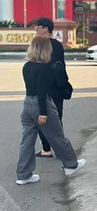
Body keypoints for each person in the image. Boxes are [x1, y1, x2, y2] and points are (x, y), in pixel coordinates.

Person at [16, 36, 86, 185]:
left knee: (26, 141)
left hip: (27, 104)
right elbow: (41, 91)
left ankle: (23, 174)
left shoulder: (26, 66)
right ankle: (71, 165)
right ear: (46, 49)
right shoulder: (45, 67)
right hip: (41, 104)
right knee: (57, 136)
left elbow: (32, 89)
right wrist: (43, 112)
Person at [34, 17, 66, 158]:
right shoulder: (58, 45)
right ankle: (60, 150)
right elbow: (61, 68)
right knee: (57, 120)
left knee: (42, 119)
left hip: (44, 88)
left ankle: (46, 150)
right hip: (57, 88)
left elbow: (37, 69)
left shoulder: (40, 45)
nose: (36, 30)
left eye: (38, 27)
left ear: (45, 29)